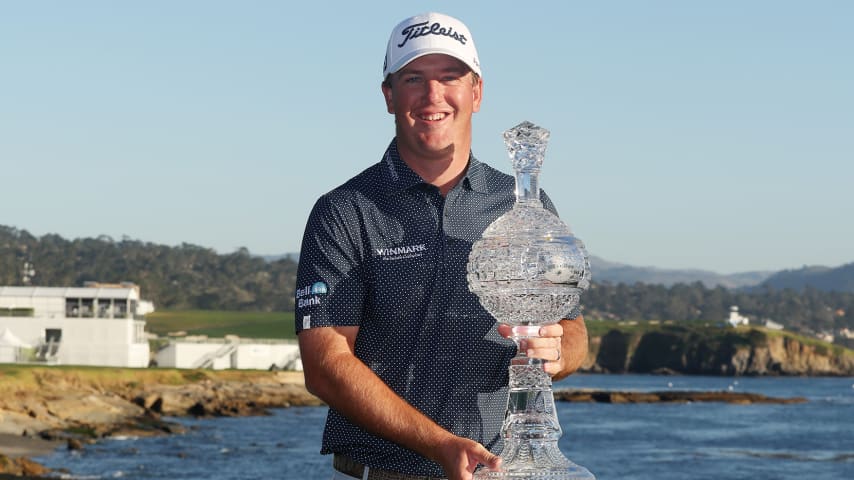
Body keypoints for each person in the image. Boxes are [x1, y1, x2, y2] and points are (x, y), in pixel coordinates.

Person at [295, 12, 589, 480]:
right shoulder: (345, 212)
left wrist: (558, 352)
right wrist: (440, 446)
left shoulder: (523, 207)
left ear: (476, 92)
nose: (433, 95)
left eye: (450, 76)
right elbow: (326, 364)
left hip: (504, 471)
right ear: (390, 96)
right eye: (414, 78)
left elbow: (571, 328)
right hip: (387, 473)